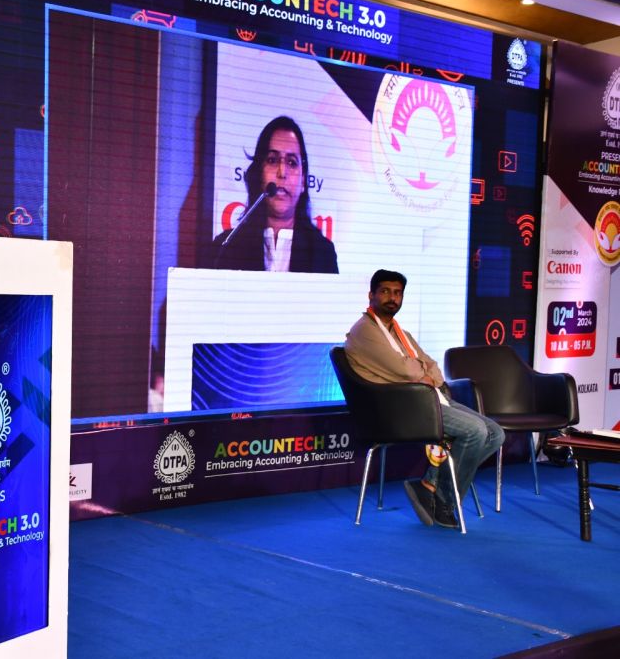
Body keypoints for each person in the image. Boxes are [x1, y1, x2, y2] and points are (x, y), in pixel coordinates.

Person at [344, 269, 504, 529]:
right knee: (475, 431)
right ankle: (444, 501)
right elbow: (404, 370)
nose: (392, 298)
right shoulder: (364, 331)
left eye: (397, 293)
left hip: (425, 401)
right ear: (371, 295)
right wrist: (423, 374)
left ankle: (430, 486)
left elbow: (430, 365)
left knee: (495, 433)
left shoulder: (400, 333)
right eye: (385, 292)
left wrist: (430, 377)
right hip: (398, 409)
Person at [211, 116, 337, 273]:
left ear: (303, 181)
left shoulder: (323, 253)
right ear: (259, 174)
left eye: (291, 162)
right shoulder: (226, 247)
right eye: (272, 160)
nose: (282, 172)